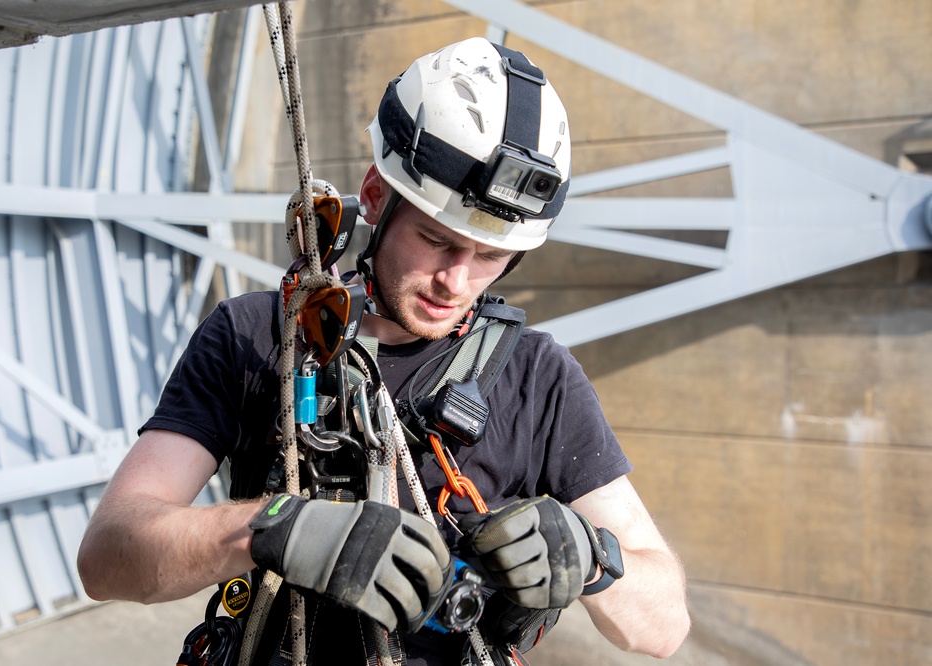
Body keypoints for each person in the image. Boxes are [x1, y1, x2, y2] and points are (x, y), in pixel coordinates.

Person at [77, 37, 690, 664]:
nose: (457, 280)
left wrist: (589, 560)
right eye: (435, 239)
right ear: (374, 196)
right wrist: (273, 529)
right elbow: (108, 556)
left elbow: (663, 627)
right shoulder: (259, 334)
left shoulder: (540, 378)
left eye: (491, 257)